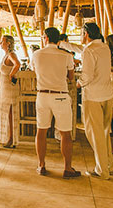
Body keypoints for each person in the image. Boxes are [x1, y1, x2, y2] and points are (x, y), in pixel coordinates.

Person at [60, 23, 113, 179]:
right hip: (107, 95)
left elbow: (88, 76)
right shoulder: (104, 47)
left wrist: (78, 83)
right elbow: (81, 49)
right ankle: (109, 164)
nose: (80, 36)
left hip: (93, 97)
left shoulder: (89, 51)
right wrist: (63, 44)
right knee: (104, 132)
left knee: (94, 135)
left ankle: (102, 171)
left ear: (86, 34)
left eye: (81, 33)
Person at [30, 27, 80, 179]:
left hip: (42, 95)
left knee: (41, 131)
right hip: (60, 96)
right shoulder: (66, 56)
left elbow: (35, 71)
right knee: (65, 133)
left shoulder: (36, 54)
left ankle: (41, 165)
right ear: (58, 40)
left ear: (45, 38)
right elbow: (71, 77)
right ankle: (67, 168)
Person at [0, 35, 21, 149]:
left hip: (9, 89)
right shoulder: (6, 55)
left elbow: (17, 64)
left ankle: (9, 139)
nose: (0, 43)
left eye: (2, 42)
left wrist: (11, 74)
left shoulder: (11, 54)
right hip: (3, 88)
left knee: (9, 113)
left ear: (8, 43)